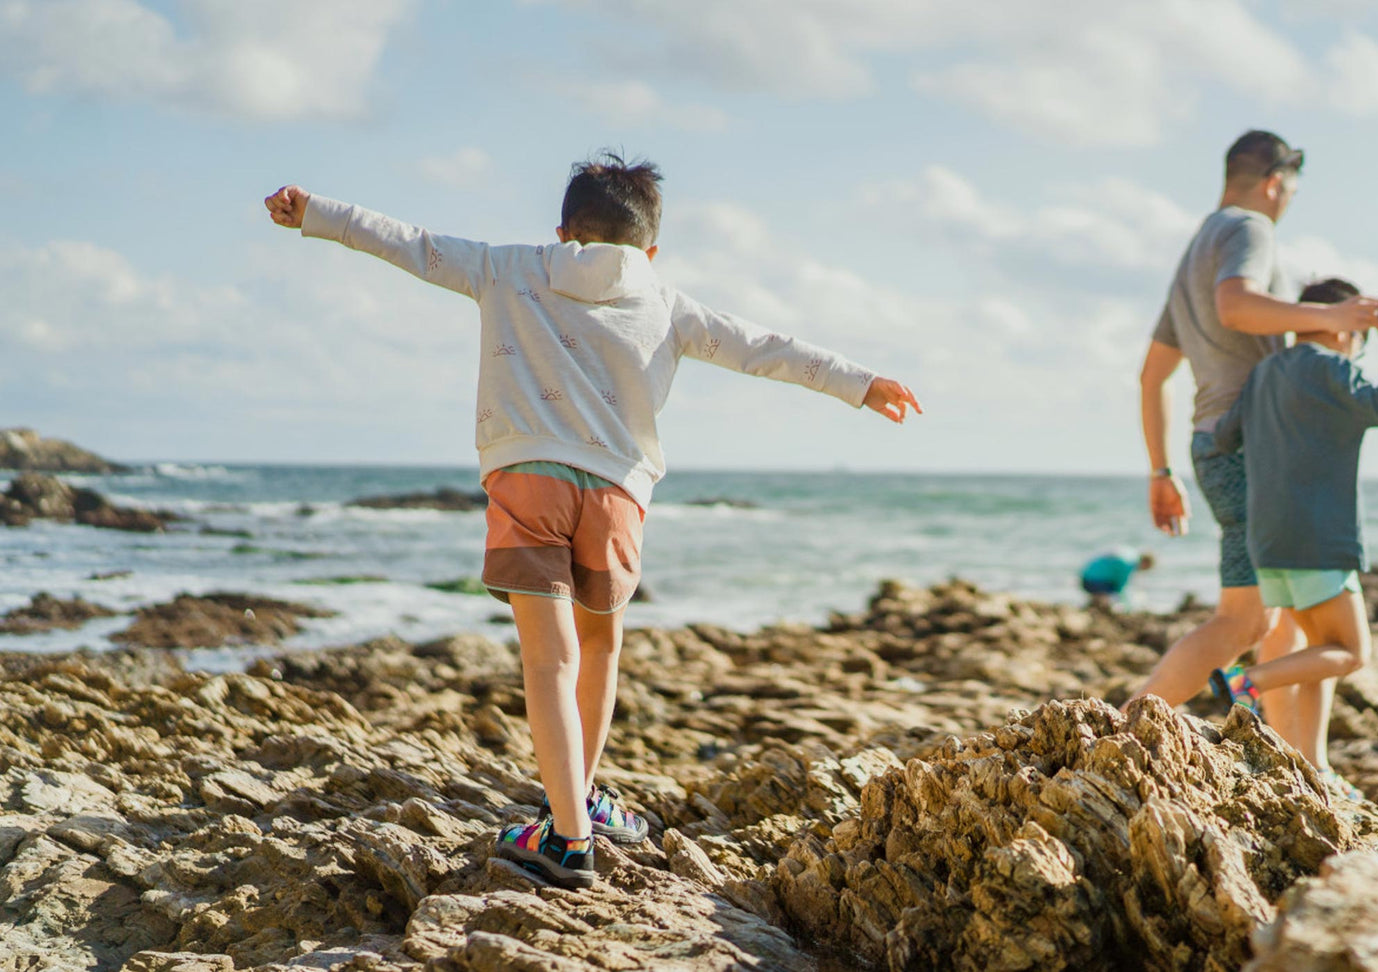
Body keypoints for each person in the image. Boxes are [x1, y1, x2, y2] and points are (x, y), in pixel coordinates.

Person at [262, 153, 922, 889]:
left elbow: (409, 243)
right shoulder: (669, 303)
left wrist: (313, 212)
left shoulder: (509, 267)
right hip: (616, 497)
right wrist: (859, 382)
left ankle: (569, 837)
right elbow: (764, 348)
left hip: (527, 479)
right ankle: (577, 803)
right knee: (600, 648)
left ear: (564, 230)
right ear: (649, 249)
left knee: (548, 663)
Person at [1125, 130, 1378, 771]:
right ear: (1275, 181)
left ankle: (1302, 765)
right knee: (1243, 621)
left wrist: (1161, 469)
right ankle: (1120, 731)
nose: (1288, 200)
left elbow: (1152, 375)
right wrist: (1332, 320)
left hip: (1212, 445)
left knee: (1284, 617)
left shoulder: (1196, 249)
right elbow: (1236, 306)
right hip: (1247, 450)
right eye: (1291, 188)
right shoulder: (1249, 228)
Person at [1206, 277, 1378, 799]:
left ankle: (1313, 766)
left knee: (1319, 651)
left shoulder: (1264, 372)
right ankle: (1243, 683)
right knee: (1350, 652)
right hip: (1319, 536)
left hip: (1267, 538)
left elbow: (1224, 436)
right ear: (1340, 325)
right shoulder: (1333, 368)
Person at [1080, 548, 1156, 608]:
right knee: (1111, 596)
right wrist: (1128, 606)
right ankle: (1100, 609)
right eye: (1146, 568)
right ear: (1145, 563)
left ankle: (1093, 606)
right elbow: (1120, 588)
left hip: (1086, 577)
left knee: (1110, 592)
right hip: (1093, 581)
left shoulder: (1129, 555)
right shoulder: (1129, 565)